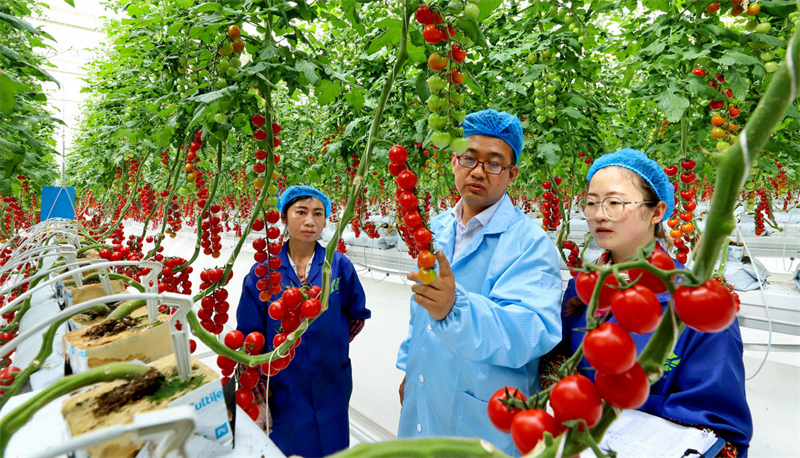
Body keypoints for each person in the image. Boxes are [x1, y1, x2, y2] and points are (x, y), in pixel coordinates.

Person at [547, 149, 752, 457]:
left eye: (614, 203)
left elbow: (720, 430)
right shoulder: (583, 285)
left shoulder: (699, 306)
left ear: (657, 212)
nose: (599, 214)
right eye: (590, 202)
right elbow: (558, 360)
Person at [396, 109, 563, 456]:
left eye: (494, 163)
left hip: (485, 417)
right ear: (454, 161)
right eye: (469, 157)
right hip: (425, 396)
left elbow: (531, 330)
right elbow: (421, 311)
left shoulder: (530, 243)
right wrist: (410, 367)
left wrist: (455, 309)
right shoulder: (436, 229)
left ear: (511, 174)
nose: (478, 171)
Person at [236, 185, 371, 458]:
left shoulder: (339, 266)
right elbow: (249, 342)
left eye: (318, 214)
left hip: (332, 383)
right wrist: (258, 398)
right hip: (285, 390)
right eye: (301, 212)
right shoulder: (262, 276)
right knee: (289, 447)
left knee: (335, 449)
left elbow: (356, 316)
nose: (310, 221)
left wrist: (332, 342)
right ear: (283, 218)